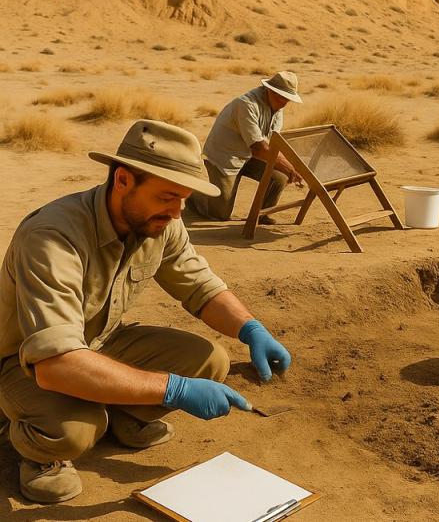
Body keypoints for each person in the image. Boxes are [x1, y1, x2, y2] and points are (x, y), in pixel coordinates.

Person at [0, 120, 292, 503]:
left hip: (98, 342)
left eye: (184, 199)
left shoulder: (161, 220)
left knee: (209, 361)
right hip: (24, 362)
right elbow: (56, 363)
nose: (177, 211)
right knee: (74, 430)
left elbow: (200, 286)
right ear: (123, 180)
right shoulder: (53, 237)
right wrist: (174, 389)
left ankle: (123, 415)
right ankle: (39, 453)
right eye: (168, 197)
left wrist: (251, 328)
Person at [187, 70, 304, 223]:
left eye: (287, 98)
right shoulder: (246, 104)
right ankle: (193, 196)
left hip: (250, 155)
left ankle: (262, 215)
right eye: (281, 96)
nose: (284, 102)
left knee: (278, 178)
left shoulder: (277, 108)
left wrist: (292, 167)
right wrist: (291, 168)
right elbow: (259, 148)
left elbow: (271, 145)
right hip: (225, 157)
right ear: (269, 90)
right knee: (220, 214)